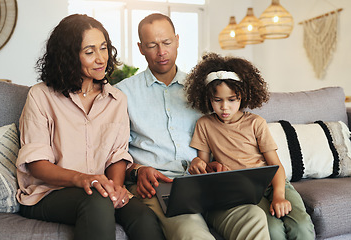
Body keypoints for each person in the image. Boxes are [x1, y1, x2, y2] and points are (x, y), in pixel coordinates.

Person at [116, 13, 270, 240]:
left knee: (253, 217)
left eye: (167, 43)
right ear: (140, 48)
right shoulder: (122, 93)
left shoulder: (204, 90)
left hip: (206, 182)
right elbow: (114, 153)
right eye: (152, 45)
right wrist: (137, 171)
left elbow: (219, 134)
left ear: (177, 40)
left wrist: (214, 164)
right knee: (194, 234)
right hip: (162, 186)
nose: (161, 52)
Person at [16, 14, 165, 240]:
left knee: (144, 217)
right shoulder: (40, 96)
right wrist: (83, 179)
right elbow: (37, 165)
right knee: (97, 201)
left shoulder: (116, 99)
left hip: (100, 191)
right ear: (68, 57)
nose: (101, 59)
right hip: (48, 194)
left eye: (103, 48)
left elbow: (117, 155)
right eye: (89, 52)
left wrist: (115, 188)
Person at [184, 52, 315, 240]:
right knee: (273, 231)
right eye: (217, 100)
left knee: (301, 227)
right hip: (245, 192)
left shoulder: (256, 123)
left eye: (232, 99)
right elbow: (203, 166)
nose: (225, 107)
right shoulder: (204, 124)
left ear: (243, 96)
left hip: (274, 184)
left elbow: (275, 165)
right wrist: (197, 163)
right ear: (207, 98)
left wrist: (279, 195)